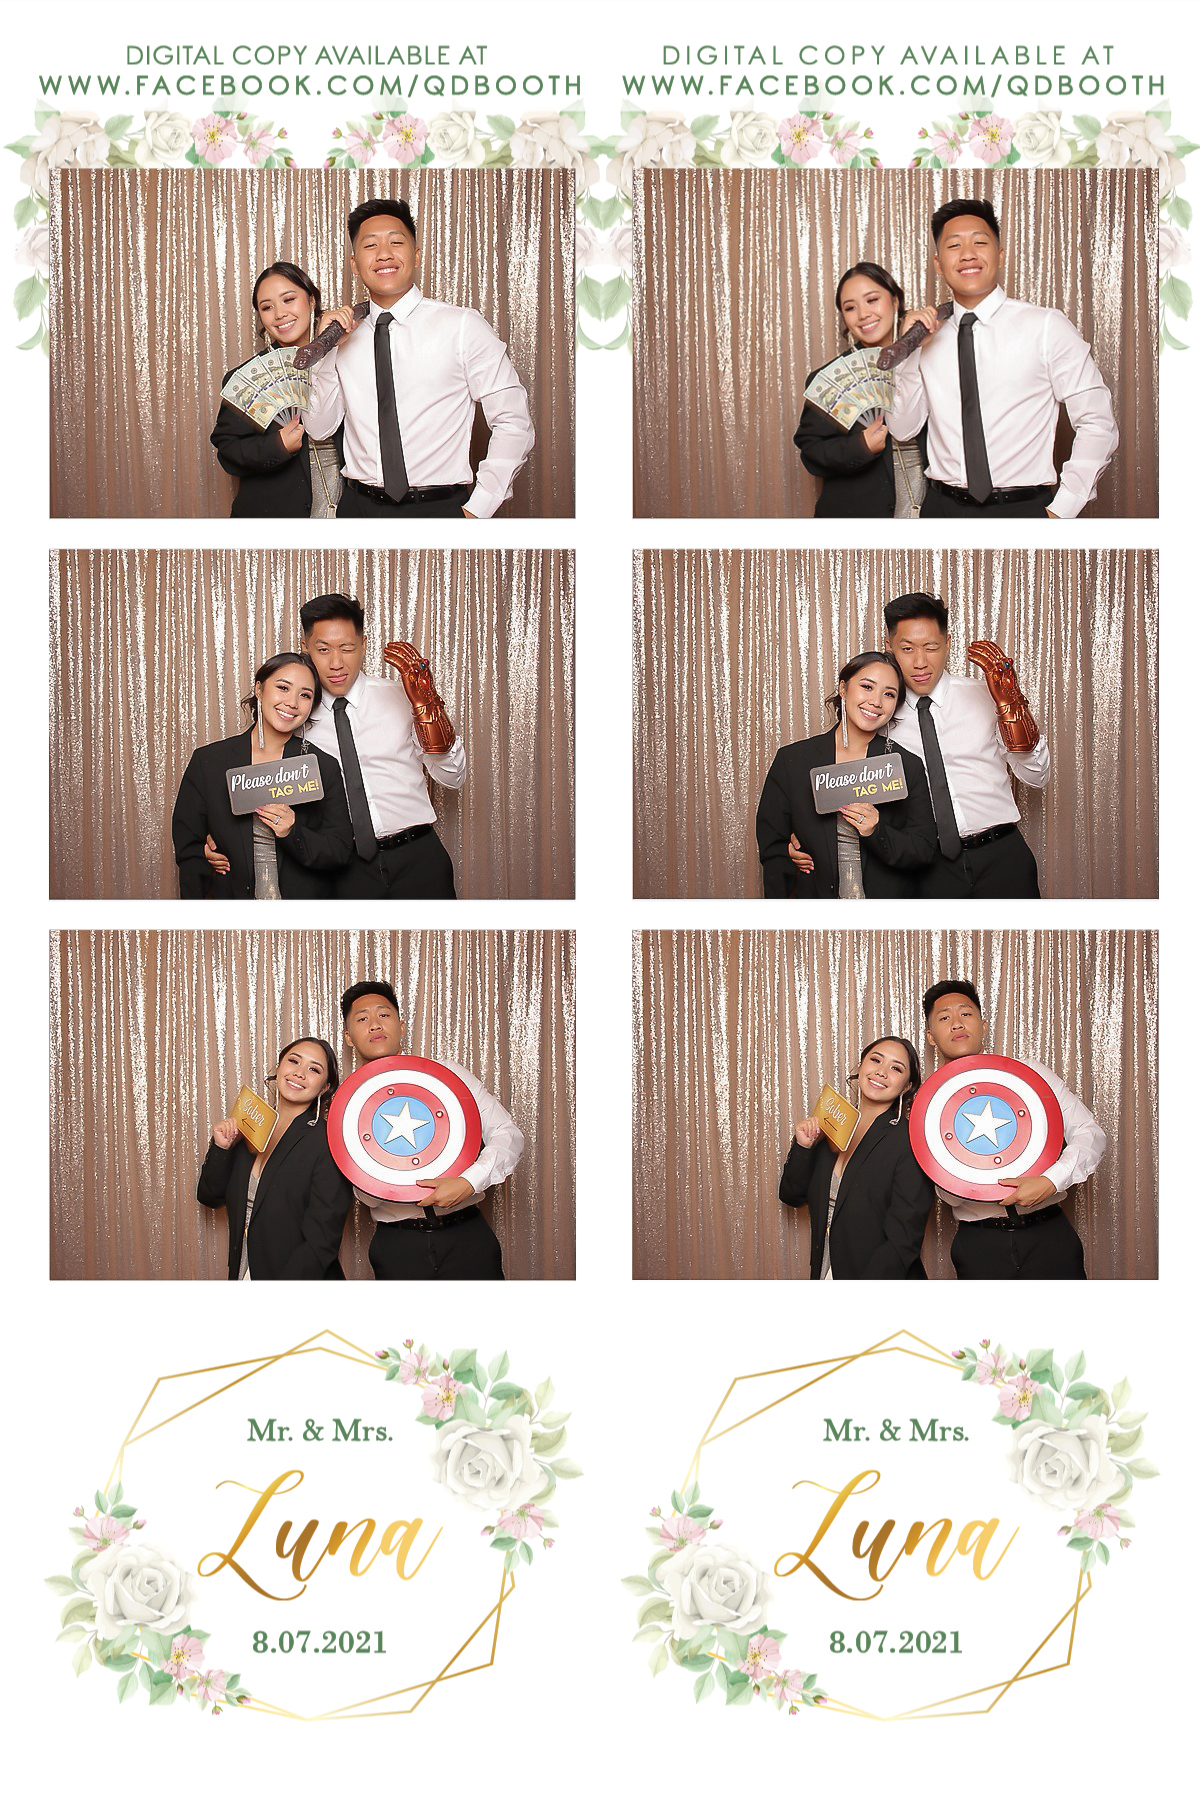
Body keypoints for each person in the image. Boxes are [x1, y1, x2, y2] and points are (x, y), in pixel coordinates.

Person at [884, 197, 1118, 518]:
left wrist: (1063, 509)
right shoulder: (927, 337)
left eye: (980, 242)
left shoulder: (1046, 326)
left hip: (1023, 509)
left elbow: (1097, 420)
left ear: (1001, 255)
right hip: (941, 508)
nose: (968, 253)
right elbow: (902, 429)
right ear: (938, 264)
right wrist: (909, 352)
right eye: (954, 245)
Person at [301, 197, 535, 519]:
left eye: (396, 242)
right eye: (370, 245)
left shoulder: (463, 326)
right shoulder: (343, 335)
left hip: (439, 508)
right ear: (355, 264)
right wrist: (325, 352)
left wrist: (478, 509)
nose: (384, 254)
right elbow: (319, 428)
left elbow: (513, 420)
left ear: (417, 255)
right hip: (357, 508)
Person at [340, 981, 525, 1280]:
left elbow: (508, 1134)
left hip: (467, 1236)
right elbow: (364, 1194)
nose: (374, 1024)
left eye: (383, 1015)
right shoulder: (345, 1106)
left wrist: (469, 1182)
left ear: (401, 1026)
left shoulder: (448, 1076)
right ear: (349, 1037)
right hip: (396, 1245)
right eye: (362, 1018)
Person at [922, 980, 1105, 1280]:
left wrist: (1050, 1181)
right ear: (931, 1036)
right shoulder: (927, 1106)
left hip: (1049, 1235)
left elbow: (1089, 1133)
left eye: (965, 1014)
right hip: (978, 1244)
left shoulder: (1030, 1074)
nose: (957, 1024)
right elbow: (947, 1194)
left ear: (983, 1025)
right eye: (944, 1017)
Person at [295, 593, 464, 900]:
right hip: (342, 867)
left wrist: (427, 708)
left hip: (418, 857)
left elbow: (453, 777)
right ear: (305, 647)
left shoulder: (402, 697)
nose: (336, 663)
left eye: (347, 648)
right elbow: (263, 778)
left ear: (363, 644)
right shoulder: (295, 714)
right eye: (323, 649)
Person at [883, 592, 1048, 899]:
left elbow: (1036, 776)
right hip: (926, 866)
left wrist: (1012, 706)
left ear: (947, 644)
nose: (920, 662)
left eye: (931, 647)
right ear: (890, 647)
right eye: (907, 649)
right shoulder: (880, 714)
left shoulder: (986, 696)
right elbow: (850, 779)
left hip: (1003, 856)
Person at [173, 651, 352, 900]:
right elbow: (188, 847)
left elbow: (340, 851)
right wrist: (201, 853)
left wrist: (293, 832)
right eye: (283, 688)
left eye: (305, 695)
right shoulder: (209, 762)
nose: (292, 702)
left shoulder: (323, 766)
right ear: (259, 689)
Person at [757, 651, 936, 899]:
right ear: (843, 688)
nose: (876, 701)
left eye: (889, 694)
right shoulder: (793, 761)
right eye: (867, 687)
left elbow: (924, 850)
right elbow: (772, 848)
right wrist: (785, 852)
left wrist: (877, 831)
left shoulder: (907, 766)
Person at [198, 1037, 351, 1280]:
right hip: (244, 1271)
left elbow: (322, 1241)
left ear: (325, 1087)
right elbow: (209, 1196)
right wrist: (221, 1148)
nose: (300, 1073)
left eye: (314, 1069)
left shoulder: (328, 1141)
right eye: (294, 1061)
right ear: (279, 1068)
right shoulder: (251, 1127)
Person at [780, 1037, 933, 1280]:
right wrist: (803, 1147)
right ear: (861, 1067)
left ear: (907, 1086)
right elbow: (791, 1196)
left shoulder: (910, 1140)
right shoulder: (833, 1126)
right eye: (876, 1060)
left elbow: (903, 1240)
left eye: (896, 1068)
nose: (881, 1072)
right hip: (826, 1270)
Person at [210, 262, 344, 518]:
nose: (280, 314)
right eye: (267, 307)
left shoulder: (344, 361)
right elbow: (228, 450)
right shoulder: (245, 378)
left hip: (344, 507)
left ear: (311, 300)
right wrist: (277, 445)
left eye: (288, 299)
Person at [794, 262, 927, 518]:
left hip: (929, 509)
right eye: (850, 307)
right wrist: (860, 446)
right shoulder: (828, 379)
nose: (863, 314)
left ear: (895, 300)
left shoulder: (928, 361)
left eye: (872, 300)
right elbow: (811, 451)